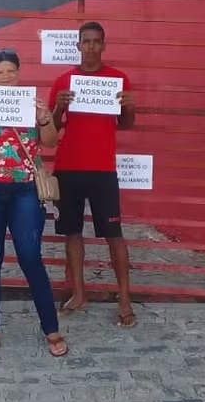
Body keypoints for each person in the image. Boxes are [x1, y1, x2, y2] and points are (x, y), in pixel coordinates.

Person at [0, 49, 68, 358]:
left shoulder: (32, 104)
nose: (6, 76)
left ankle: (51, 327)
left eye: (11, 71)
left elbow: (51, 142)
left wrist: (45, 118)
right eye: (0, 72)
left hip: (26, 190)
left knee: (30, 256)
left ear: (19, 72)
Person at [49, 21, 138, 328]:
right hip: (68, 167)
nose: (90, 46)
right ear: (78, 45)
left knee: (114, 234)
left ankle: (124, 299)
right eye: (85, 41)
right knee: (72, 233)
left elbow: (126, 124)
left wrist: (129, 107)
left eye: (96, 41)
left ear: (103, 45)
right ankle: (79, 293)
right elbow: (51, 129)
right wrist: (58, 108)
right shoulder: (63, 81)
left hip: (103, 169)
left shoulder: (118, 79)